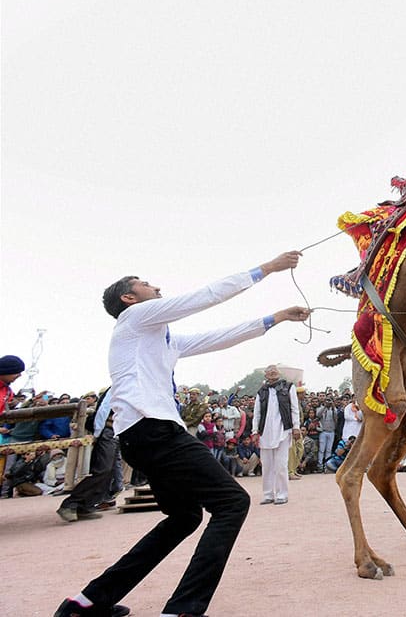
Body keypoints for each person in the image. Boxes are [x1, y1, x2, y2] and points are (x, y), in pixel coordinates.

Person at [54, 251, 309, 617]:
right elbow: (204, 297)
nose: (155, 286)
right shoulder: (135, 318)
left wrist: (277, 317)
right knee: (232, 503)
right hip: (154, 431)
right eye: (144, 284)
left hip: (143, 436)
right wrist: (268, 269)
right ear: (129, 298)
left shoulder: (161, 339)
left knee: (184, 517)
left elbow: (218, 337)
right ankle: (183, 610)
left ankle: (86, 603)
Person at [57, 388, 120, 521]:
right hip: (107, 431)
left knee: (109, 473)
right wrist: (98, 433)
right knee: (103, 469)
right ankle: (70, 504)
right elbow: (103, 411)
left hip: (118, 433)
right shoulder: (118, 386)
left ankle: (85, 506)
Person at [253, 364, 301, 505]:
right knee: (267, 465)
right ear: (266, 375)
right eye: (269, 371)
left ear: (279, 373)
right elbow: (257, 413)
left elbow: (294, 408)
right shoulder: (261, 391)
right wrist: (255, 431)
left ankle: (282, 494)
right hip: (265, 432)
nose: (272, 372)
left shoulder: (288, 387)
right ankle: (268, 494)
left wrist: (296, 427)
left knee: (281, 465)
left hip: (283, 431)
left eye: (275, 370)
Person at [315, 395, 338, 472]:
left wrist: (333, 407)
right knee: (321, 450)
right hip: (323, 431)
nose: (328, 402)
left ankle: (327, 465)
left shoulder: (334, 409)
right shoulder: (320, 409)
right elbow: (318, 415)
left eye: (329, 401)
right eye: (327, 400)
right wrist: (325, 407)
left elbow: (336, 419)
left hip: (331, 432)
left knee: (328, 450)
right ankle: (320, 465)